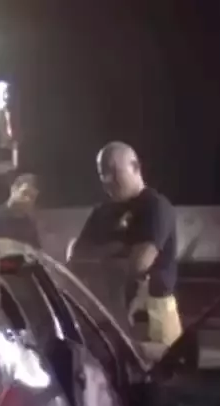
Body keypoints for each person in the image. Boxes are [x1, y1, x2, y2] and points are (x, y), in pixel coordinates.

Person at [71, 142, 182, 345]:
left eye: (114, 171)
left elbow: (140, 263)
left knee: (159, 371)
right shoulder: (102, 212)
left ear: (136, 168)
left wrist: (101, 256)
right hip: (110, 316)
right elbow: (75, 257)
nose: (107, 180)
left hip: (152, 319)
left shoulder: (155, 206)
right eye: (102, 173)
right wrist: (121, 250)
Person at [0, 173, 41, 248]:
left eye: (32, 197)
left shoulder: (30, 227)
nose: (28, 200)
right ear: (13, 189)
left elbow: (36, 252)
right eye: (25, 193)